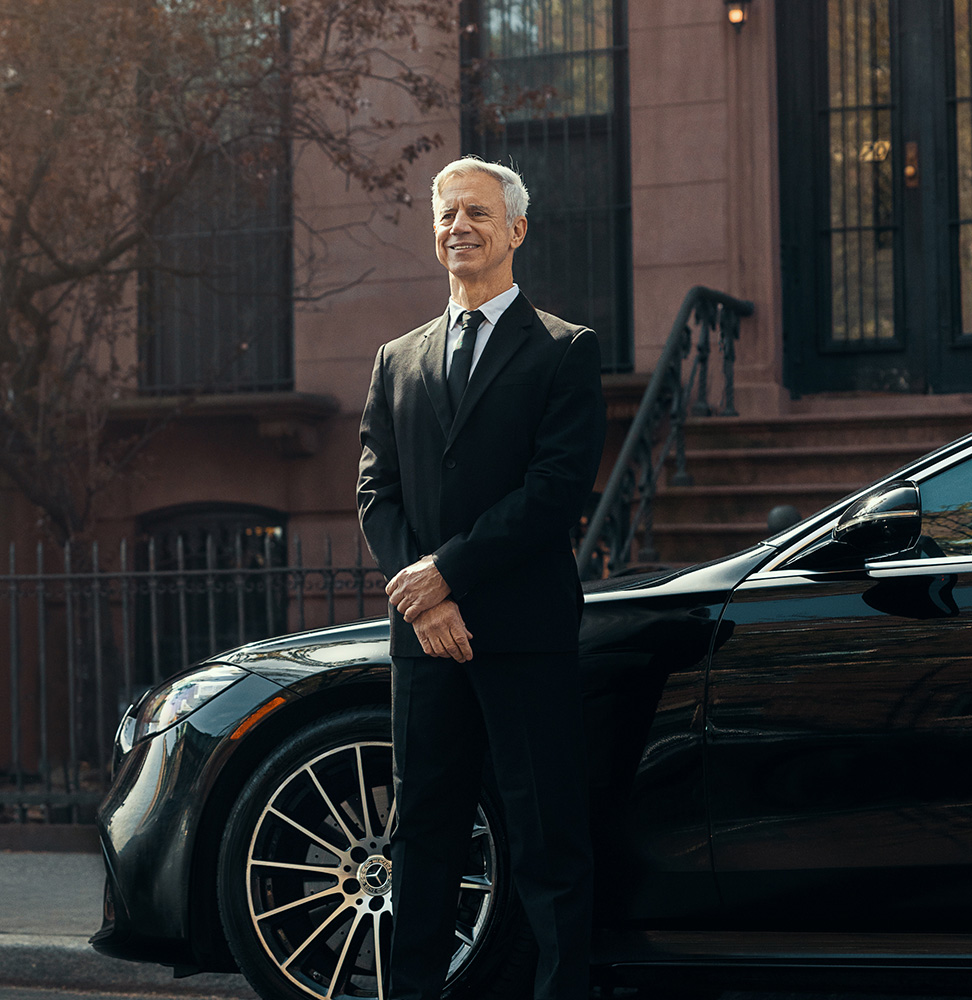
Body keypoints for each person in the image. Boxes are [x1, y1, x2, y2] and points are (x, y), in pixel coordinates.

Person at [356, 156, 607, 1000]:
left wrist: (442, 574)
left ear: (516, 231)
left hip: (523, 636)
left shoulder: (566, 352)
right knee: (421, 841)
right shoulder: (398, 358)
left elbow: (555, 492)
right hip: (425, 644)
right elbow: (373, 491)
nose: (459, 226)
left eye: (477, 214)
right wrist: (419, 597)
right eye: (447, 214)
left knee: (547, 843)